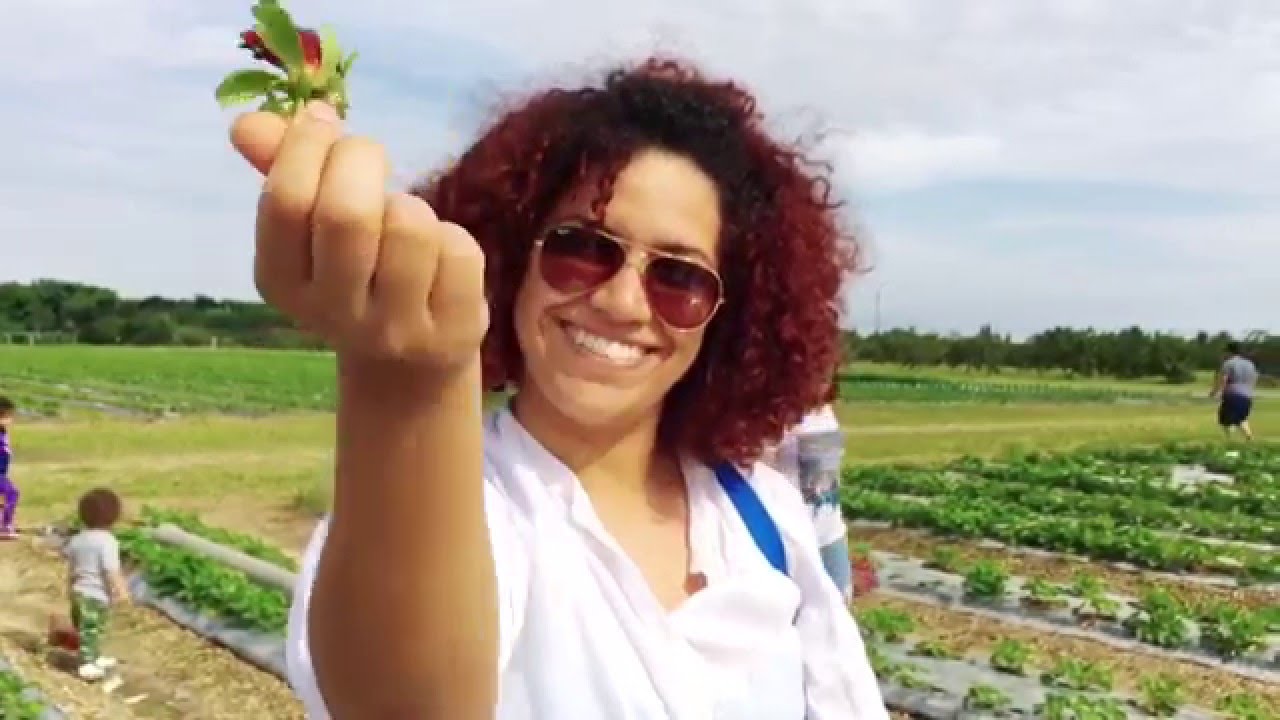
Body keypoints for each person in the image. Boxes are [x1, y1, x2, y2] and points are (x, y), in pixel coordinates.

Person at [232, 57, 886, 718]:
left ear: (727, 319)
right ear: (512, 261)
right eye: (582, 248)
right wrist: (407, 384)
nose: (623, 302)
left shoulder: (764, 515)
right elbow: (406, 703)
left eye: (679, 279)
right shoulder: (457, 509)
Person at [766, 380, 853, 603]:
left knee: (838, 622)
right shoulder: (773, 414)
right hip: (790, 540)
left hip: (830, 534)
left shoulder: (823, 410)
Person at [61, 487, 130, 681]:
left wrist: (69, 590)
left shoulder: (77, 540)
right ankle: (86, 664)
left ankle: (94, 657)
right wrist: (121, 590)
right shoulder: (108, 541)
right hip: (95, 595)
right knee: (91, 629)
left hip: (79, 593)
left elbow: (72, 569)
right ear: (113, 516)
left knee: (88, 628)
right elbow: (111, 571)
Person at [1210, 341, 1258, 440]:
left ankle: (1230, 441)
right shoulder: (1250, 364)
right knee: (1241, 418)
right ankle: (1249, 437)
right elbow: (1254, 378)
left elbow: (1223, 379)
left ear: (1230, 352)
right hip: (1247, 395)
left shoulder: (1228, 363)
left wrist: (1216, 392)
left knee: (1226, 420)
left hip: (1233, 395)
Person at [0, 396, 18, 539]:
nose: (10, 420)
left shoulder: (3, 432)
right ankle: (5, 526)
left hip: (2, 473)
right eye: (7, 416)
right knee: (11, 493)